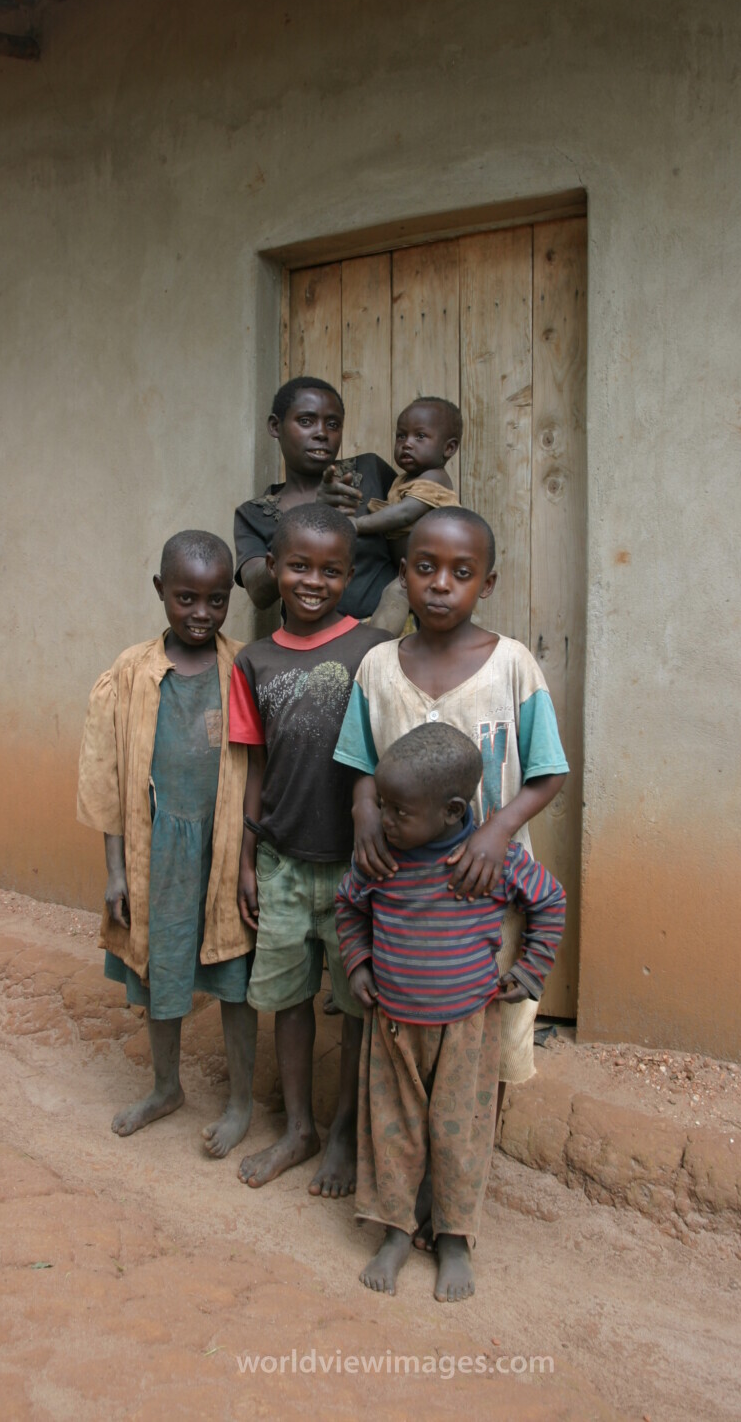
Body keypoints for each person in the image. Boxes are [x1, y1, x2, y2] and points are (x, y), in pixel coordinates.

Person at [334, 506, 569, 1237]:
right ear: (402, 574)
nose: (440, 586)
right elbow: (359, 766)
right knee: (398, 1033)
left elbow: (548, 773)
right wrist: (365, 814)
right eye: (425, 568)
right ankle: (402, 1183)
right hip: (404, 896)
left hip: (488, 892)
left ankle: (457, 1189)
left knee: (485, 1045)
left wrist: (499, 830)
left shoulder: (512, 666)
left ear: (486, 583)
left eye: (461, 574)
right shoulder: (378, 667)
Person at [336, 722, 566, 1302]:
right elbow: (348, 907)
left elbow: (551, 903)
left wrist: (531, 971)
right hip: (392, 1027)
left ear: (452, 811)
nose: (382, 819)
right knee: (393, 1131)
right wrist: (359, 963)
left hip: (467, 1027)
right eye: (381, 805)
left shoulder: (489, 861)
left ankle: (454, 1240)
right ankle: (393, 1232)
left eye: (397, 811)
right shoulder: (383, 860)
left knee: (459, 1135)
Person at [76, 531, 257, 1157]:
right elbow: (107, 781)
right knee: (161, 968)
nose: (201, 615)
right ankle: (164, 1087)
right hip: (159, 853)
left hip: (227, 848)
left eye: (215, 601)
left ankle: (240, 1103)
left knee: (234, 975)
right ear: (160, 592)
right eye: (185, 599)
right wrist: (117, 870)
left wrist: (251, 858)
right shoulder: (129, 674)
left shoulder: (244, 669)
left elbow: (259, 769)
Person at [228, 503, 390, 1195]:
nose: (313, 582)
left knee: (356, 1008)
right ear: (272, 569)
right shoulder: (253, 659)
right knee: (288, 1001)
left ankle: (345, 1135)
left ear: (349, 577)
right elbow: (253, 766)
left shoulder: (375, 651)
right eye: (298, 566)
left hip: (357, 867)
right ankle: (299, 1127)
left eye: (330, 571)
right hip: (284, 860)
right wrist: (245, 857)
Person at [233, 376, 404, 630]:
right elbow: (259, 593)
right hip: (310, 648)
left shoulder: (370, 472)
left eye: (333, 424)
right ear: (275, 426)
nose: (322, 433)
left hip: (387, 638)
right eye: (306, 421)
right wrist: (315, 513)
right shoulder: (255, 513)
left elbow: (411, 549)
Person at [358, 396, 462, 632]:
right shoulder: (404, 480)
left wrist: (358, 524)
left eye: (420, 436)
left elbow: (404, 514)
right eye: (401, 436)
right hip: (415, 568)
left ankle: (376, 649)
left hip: (434, 568)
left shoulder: (435, 478)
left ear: (449, 448)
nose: (407, 443)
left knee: (395, 594)